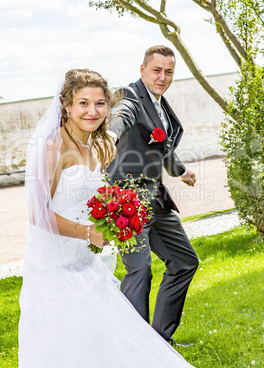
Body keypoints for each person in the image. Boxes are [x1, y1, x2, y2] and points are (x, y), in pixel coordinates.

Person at [18, 68, 195, 367]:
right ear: (67, 106)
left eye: (100, 103)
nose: (92, 111)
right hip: (54, 264)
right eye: (83, 103)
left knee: (108, 340)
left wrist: (120, 212)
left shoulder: (94, 146)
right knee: (70, 341)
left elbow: (92, 196)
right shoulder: (53, 147)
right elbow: (38, 215)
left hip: (86, 263)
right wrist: (88, 233)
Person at [107, 45, 199, 345]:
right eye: (156, 70)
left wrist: (181, 171)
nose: (162, 77)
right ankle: (133, 348)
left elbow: (162, 147)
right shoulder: (130, 96)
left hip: (155, 199)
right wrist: (109, 137)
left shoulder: (161, 104)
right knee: (139, 270)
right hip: (126, 202)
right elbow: (121, 116)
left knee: (185, 261)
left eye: (168, 71)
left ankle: (159, 341)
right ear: (143, 69)